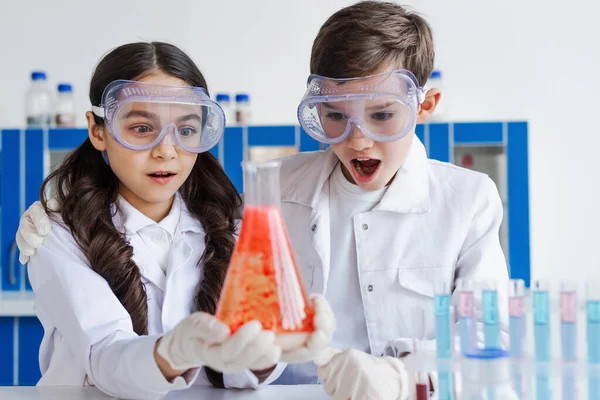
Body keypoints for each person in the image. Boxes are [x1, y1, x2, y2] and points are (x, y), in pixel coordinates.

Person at [18, 2, 509, 399]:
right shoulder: (267, 196)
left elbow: (489, 339)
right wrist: (191, 351)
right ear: (99, 130)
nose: (358, 139)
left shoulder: (467, 201)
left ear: (424, 106)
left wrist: (404, 378)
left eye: (382, 115)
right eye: (335, 115)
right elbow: (109, 355)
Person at [17, 41, 334, 400]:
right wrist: (172, 353)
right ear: (98, 131)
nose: (167, 149)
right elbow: (104, 357)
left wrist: (268, 352)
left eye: (185, 130)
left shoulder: (230, 227)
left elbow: (239, 373)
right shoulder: (57, 232)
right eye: (141, 128)